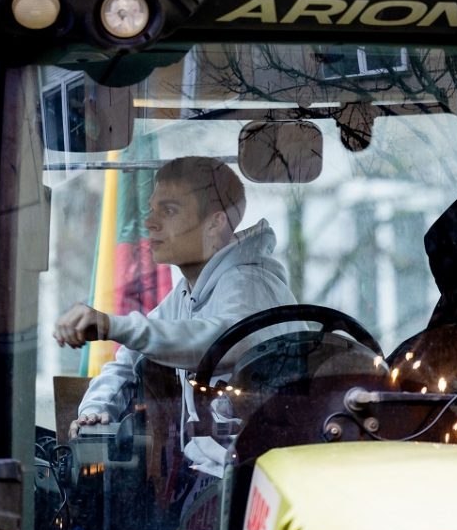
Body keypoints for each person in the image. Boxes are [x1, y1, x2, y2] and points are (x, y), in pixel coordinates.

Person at [53, 156, 297, 455]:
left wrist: (111, 325)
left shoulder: (250, 282)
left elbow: (219, 341)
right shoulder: (187, 293)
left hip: (257, 469)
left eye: (168, 211)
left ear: (215, 223)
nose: (149, 222)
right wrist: (95, 409)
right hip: (215, 471)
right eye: (152, 209)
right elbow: (128, 362)